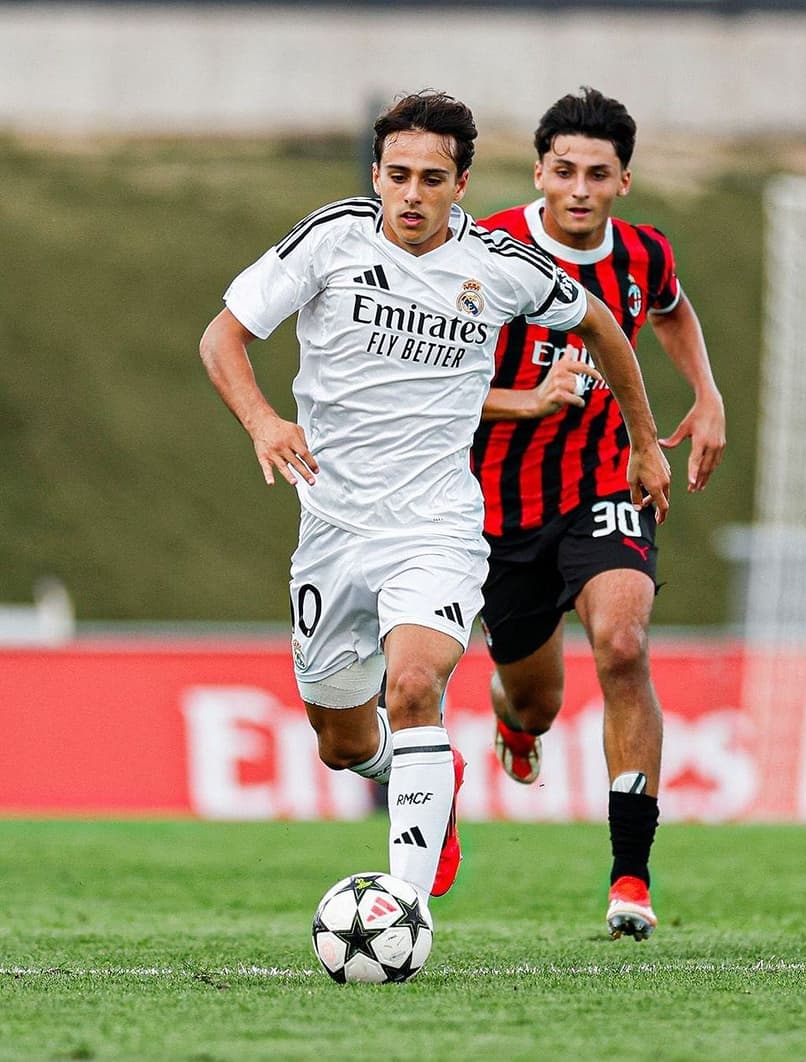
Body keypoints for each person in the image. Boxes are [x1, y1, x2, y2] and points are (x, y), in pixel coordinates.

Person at [199, 90, 670, 914]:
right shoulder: (332, 239)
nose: (411, 194)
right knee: (342, 743)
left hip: (439, 527)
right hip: (333, 527)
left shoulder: (498, 264)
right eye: (398, 175)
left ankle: (402, 907)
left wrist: (640, 437)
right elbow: (223, 337)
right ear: (377, 175)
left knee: (414, 686)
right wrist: (263, 419)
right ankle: (431, 771)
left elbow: (600, 323)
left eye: (432, 178)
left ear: (461, 185)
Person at [472, 87, 725, 940]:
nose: (579, 189)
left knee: (623, 643)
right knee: (535, 697)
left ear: (624, 180)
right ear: (539, 171)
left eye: (598, 174)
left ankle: (631, 877)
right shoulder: (485, 251)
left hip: (608, 486)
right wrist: (528, 399)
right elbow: (435, 386)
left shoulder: (645, 252)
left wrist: (708, 393)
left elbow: (671, 309)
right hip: (500, 504)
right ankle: (515, 720)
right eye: (565, 171)